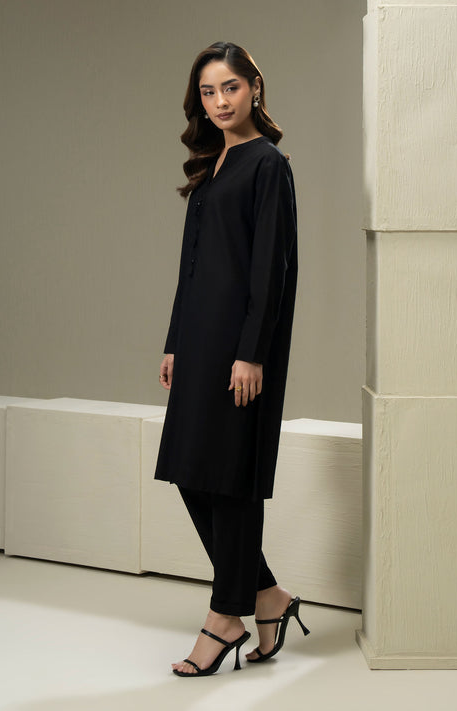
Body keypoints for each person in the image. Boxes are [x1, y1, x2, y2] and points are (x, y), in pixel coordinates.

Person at [154, 41, 309, 678]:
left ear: (254, 88)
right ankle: (267, 595)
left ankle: (225, 617)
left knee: (231, 477)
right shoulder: (211, 163)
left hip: (240, 348)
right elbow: (190, 268)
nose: (219, 101)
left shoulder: (268, 165)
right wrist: (174, 340)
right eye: (208, 92)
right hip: (197, 342)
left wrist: (252, 354)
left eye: (230, 88)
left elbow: (272, 270)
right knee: (192, 469)